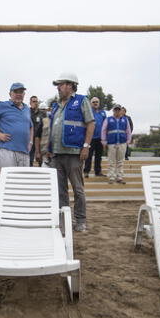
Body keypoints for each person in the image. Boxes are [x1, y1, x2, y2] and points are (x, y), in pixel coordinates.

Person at [46, 72, 95, 232]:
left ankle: (80, 220)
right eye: (58, 85)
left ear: (71, 85)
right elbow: (52, 129)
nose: (58, 88)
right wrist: (49, 149)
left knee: (78, 189)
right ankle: (63, 221)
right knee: (60, 191)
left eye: (61, 84)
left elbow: (90, 124)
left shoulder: (82, 101)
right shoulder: (56, 105)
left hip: (74, 153)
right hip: (56, 155)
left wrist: (86, 146)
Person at [0, 82, 33, 171]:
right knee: (8, 180)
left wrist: (31, 142)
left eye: (21, 92)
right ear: (10, 94)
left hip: (24, 151)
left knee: (22, 181)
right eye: (16, 92)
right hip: (7, 150)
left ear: (24, 94)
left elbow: (31, 126)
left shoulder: (27, 109)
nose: (18, 94)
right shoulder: (3, 105)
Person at [101, 104, 132, 184]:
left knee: (120, 161)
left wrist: (128, 141)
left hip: (122, 143)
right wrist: (104, 141)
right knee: (111, 161)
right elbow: (103, 130)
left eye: (118, 110)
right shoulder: (108, 119)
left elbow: (128, 131)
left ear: (121, 111)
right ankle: (111, 177)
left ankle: (119, 177)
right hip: (111, 143)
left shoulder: (125, 120)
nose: (117, 111)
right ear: (113, 110)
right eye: (115, 110)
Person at [83, 97, 107, 178]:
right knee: (88, 156)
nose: (95, 103)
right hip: (91, 138)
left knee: (98, 156)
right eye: (93, 102)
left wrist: (105, 139)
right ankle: (86, 171)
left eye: (97, 102)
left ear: (99, 103)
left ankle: (98, 171)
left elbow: (105, 126)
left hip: (100, 138)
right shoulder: (88, 112)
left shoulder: (103, 113)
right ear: (90, 103)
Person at [29, 95, 44, 166]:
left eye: (36, 101)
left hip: (39, 140)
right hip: (30, 139)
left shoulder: (42, 113)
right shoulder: (27, 113)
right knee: (30, 160)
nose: (35, 103)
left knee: (40, 159)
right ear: (30, 103)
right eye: (33, 101)